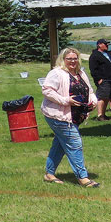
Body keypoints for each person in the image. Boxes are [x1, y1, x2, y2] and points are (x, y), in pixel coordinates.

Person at [39, 48, 100, 188]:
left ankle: (49, 174)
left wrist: (93, 102)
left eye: (75, 58)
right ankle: (83, 177)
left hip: (76, 115)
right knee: (75, 144)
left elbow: (89, 90)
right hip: (58, 116)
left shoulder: (81, 73)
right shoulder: (56, 73)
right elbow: (47, 90)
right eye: (69, 59)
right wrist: (65, 100)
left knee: (60, 145)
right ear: (63, 60)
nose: (72, 61)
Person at [88, 39, 111, 121]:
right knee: (102, 97)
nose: (107, 46)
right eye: (105, 44)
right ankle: (99, 115)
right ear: (99, 45)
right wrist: (98, 79)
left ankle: (103, 114)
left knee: (107, 97)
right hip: (103, 79)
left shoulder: (109, 53)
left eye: (108, 44)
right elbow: (93, 69)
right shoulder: (95, 55)